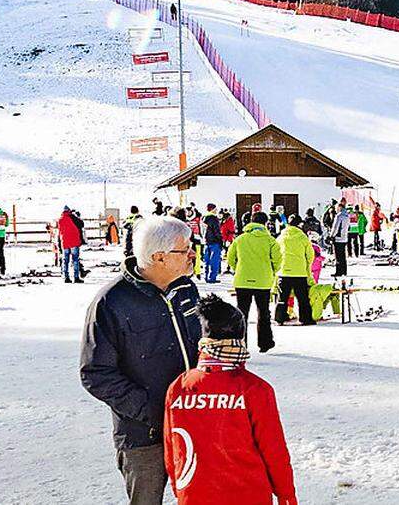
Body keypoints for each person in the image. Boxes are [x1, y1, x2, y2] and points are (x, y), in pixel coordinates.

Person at [80, 216, 201, 505]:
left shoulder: (186, 289)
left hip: (195, 424)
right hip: (143, 435)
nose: (193, 255)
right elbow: (95, 373)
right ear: (159, 257)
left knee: (202, 497)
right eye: (185, 250)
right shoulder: (111, 303)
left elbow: (200, 346)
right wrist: (154, 410)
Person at [163, 295, 297, 505]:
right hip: (249, 496)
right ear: (240, 340)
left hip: (194, 496)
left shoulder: (179, 388)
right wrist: (286, 495)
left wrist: (180, 488)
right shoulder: (255, 390)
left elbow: (173, 449)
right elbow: (274, 451)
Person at [225, 211, 282, 353]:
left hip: (242, 281)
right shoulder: (270, 240)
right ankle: (265, 343)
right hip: (263, 281)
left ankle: (240, 343)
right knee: (263, 312)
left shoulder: (240, 239)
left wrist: (238, 268)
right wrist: (271, 271)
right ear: (265, 223)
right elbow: (278, 260)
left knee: (242, 313)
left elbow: (230, 258)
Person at [275, 214, 314, 326]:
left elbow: (276, 252)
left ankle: (279, 318)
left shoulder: (281, 237)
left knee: (282, 297)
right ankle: (305, 319)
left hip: (283, 271)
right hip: (299, 272)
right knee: (302, 298)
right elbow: (310, 255)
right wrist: (307, 265)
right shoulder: (303, 237)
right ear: (299, 224)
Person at [59, 206, 84, 283]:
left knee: (65, 261)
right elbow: (81, 224)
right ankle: (76, 277)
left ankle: (66, 277)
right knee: (75, 260)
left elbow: (60, 231)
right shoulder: (73, 217)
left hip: (65, 242)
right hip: (74, 242)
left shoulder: (60, 220)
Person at [202, 203, 224, 284]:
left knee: (206, 260)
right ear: (212, 209)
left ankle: (206, 276)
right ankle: (212, 278)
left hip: (206, 241)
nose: (216, 211)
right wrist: (220, 241)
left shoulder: (203, 218)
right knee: (214, 261)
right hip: (214, 241)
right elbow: (217, 231)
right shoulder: (213, 219)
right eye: (215, 209)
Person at [330, 199, 350, 277]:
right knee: (343, 256)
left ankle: (338, 272)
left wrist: (331, 235)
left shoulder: (339, 216)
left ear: (339, 207)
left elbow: (335, 227)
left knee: (338, 256)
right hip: (344, 237)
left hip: (338, 238)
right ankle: (344, 271)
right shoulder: (347, 215)